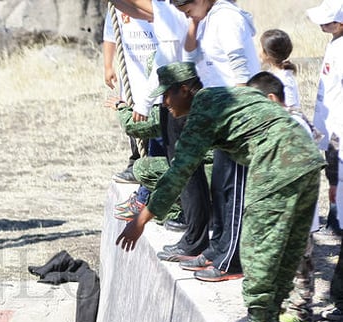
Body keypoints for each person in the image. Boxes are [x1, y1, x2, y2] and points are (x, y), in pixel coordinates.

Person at [116, 62, 325, 322]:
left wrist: (140, 221)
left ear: (186, 90)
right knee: (287, 247)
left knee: (256, 245)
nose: (164, 103)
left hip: (278, 158)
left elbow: (178, 173)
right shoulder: (228, 96)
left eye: (168, 95)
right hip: (307, 157)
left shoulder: (202, 113)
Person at [106, 0, 211, 260]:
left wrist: (140, 102)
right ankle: (194, 234)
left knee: (185, 171)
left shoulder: (179, 10)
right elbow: (138, 10)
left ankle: (198, 235)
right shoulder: (167, 8)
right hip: (179, 93)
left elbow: (167, 59)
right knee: (182, 169)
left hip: (188, 96)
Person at [171, 0, 260, 282]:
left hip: (237, 116)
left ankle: (231, 261)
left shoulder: (227, 19)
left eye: (186, 9)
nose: (184, 14)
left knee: (233, 192)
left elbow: (241, 71)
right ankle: (217, 248)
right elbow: (189, 56)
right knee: (219, 188)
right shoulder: (208, 18)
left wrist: (239, 118)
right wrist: (194, 22)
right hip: (221, 116)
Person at [247, 71, 322, 322]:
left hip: (298, 212)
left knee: (302, 263)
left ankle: (301, 311)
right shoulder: (280, 123)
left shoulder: (293, 125)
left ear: (270, 98)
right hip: (284, 213)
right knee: (284, 261)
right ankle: (280, 306)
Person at [102, 8, 159, 184]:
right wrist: (108, 66)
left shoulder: (158, 5)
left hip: (156, 67)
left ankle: (153, 161)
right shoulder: (118, 7)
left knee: (156, 114)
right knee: (132, 111)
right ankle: (136, 160)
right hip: (133, 70)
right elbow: (111, 34)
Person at [307, 0, 343, 236]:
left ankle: (337, 219)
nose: (321, 24)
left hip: (339, 123)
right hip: (330, 122)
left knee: (338, 173)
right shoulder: (335, 43)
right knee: (331, 171)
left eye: (326, 21)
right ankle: (334, 214)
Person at [259, 29, 301, 109]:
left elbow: (291, 108)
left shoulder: (284, 79)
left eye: (261, 47)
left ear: (268, 54)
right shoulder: (274, 73)